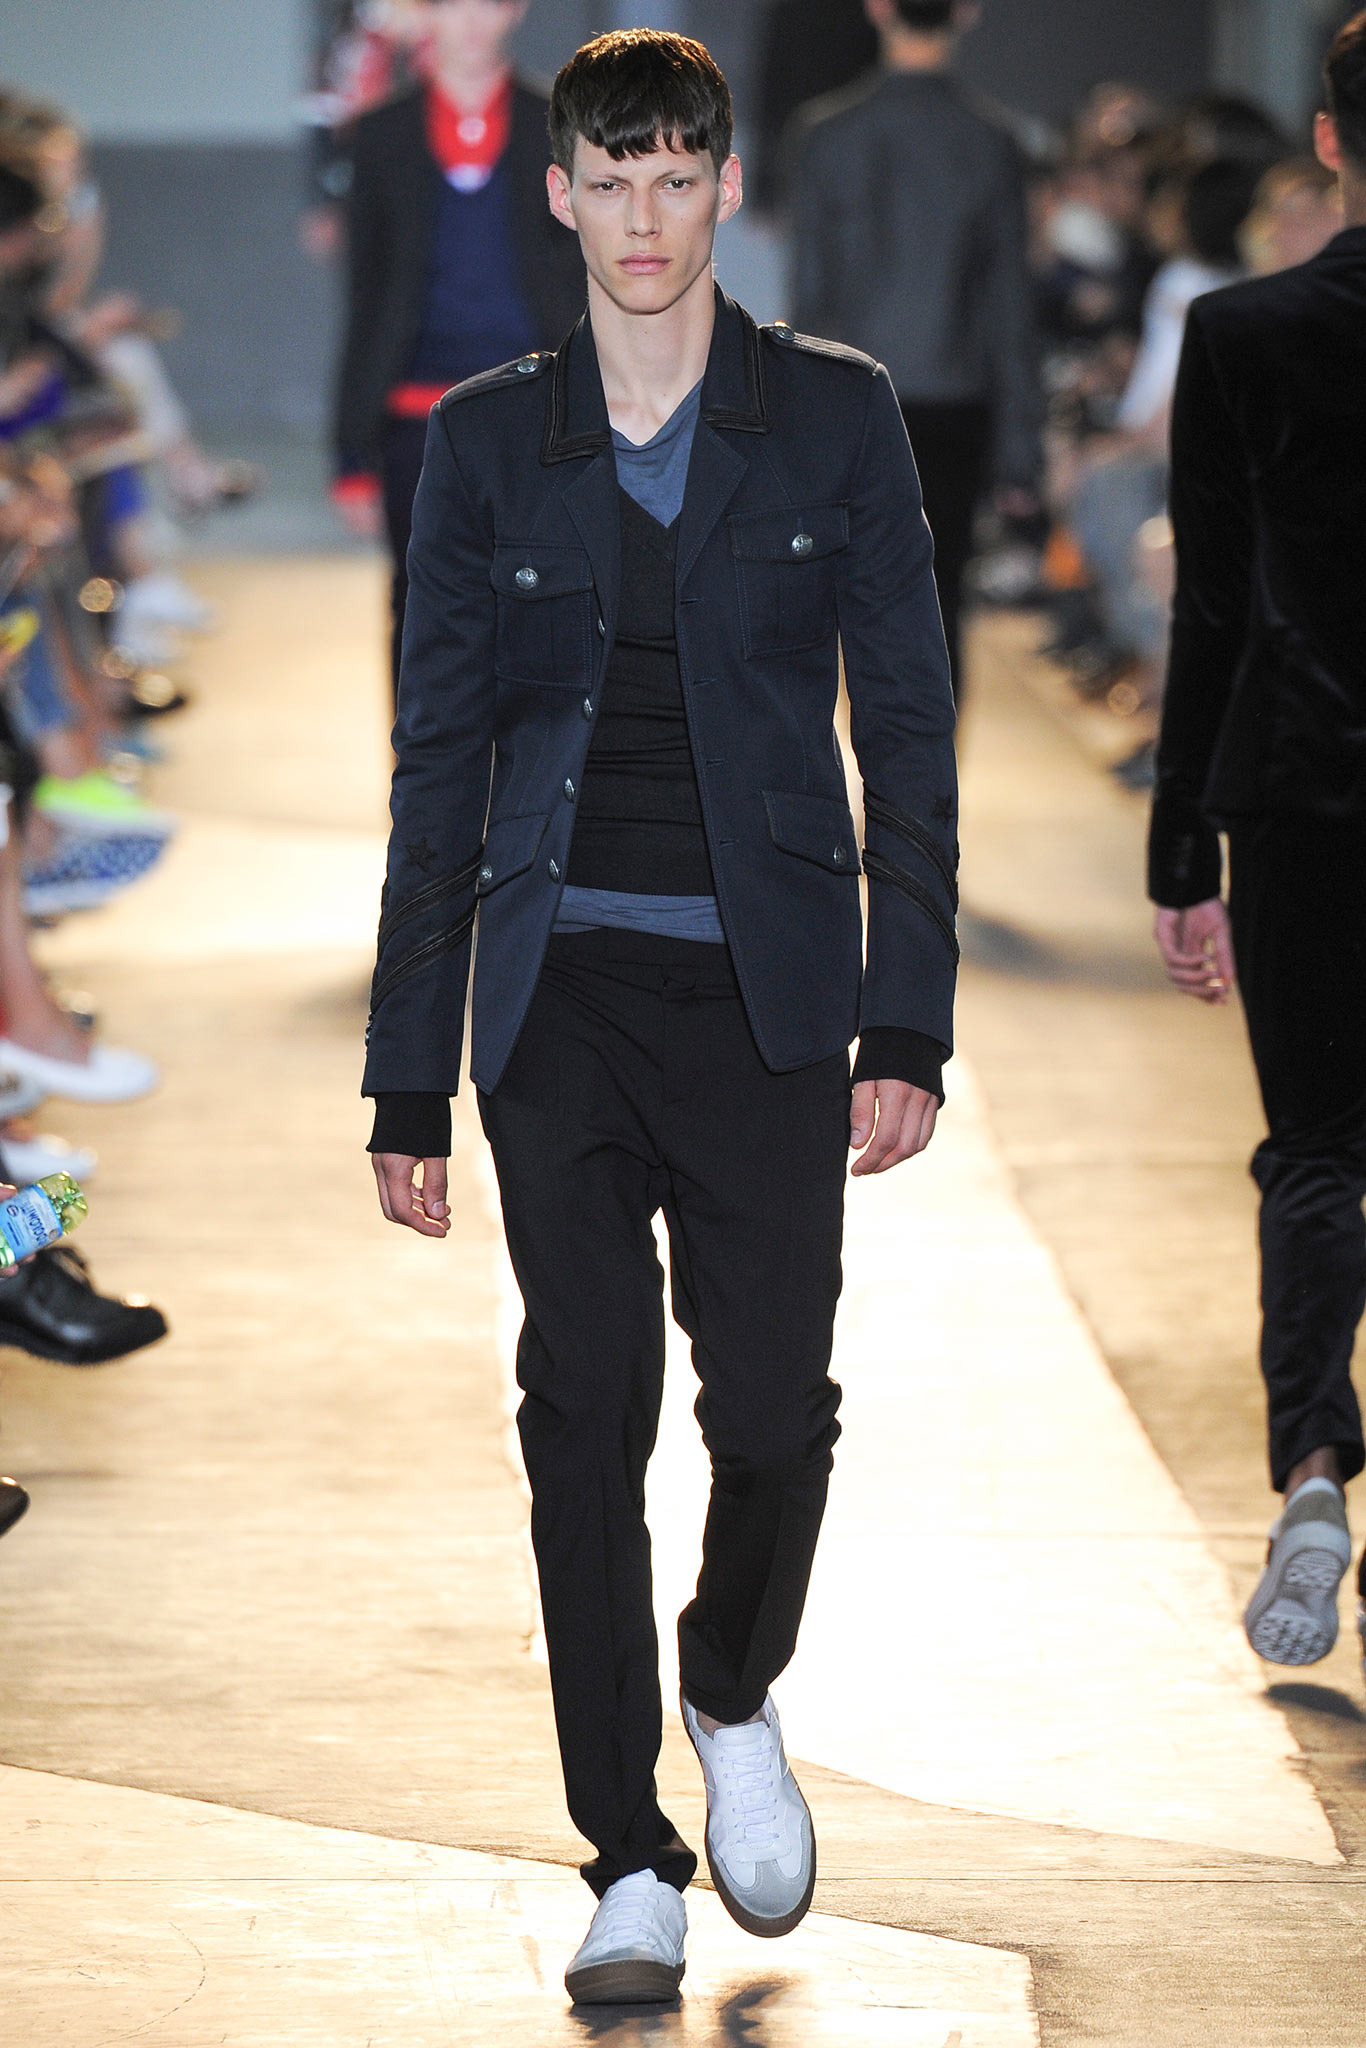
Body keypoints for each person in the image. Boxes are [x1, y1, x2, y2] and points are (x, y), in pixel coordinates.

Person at [364, 27, 957, 2005]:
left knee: (774, 1412)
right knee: (580, 1414)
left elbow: (912, 726)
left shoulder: (833, 416)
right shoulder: (484, 440)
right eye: (607, 181)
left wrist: (906, 1017)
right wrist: (407, 1071)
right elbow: (437, 762)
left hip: (770, 994)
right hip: (557, 998)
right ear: (558, 194)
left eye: (674, 177)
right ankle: (623, 1849)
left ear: (723, 188)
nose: (641, 217)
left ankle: (728, 1683)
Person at [1148, 11, 1366, 1682]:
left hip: (1298, 798)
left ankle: (1311, 1467)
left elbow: (1211, 610)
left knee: (1314, 1150)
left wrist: (1180, 854)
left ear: (1328, 141)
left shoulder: (1241, 334)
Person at [788, 0, 1042, 700]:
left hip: (846, 402)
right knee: (940, 596)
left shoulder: (825, 135)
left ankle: (863, 759)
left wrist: (794, 425)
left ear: (878, 9)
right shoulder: (992, 141)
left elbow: (811, 295)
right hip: (956, 399)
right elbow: (1008, 304)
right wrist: (1021, 449)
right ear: (966, 12)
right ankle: (928, 768)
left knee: (849, 597)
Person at [332, 0, 585, 694]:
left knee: (540, 605)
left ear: (514, 10)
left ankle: (527, 763)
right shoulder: (382, 133)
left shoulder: (560, 123)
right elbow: (366, 295)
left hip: (536, 408)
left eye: (488, 2)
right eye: (451, 3)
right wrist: (351, 451)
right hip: (414, 415)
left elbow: (588, 273)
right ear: (424, 16)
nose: (471, 20)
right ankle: (424, 763)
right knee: (421, 605)